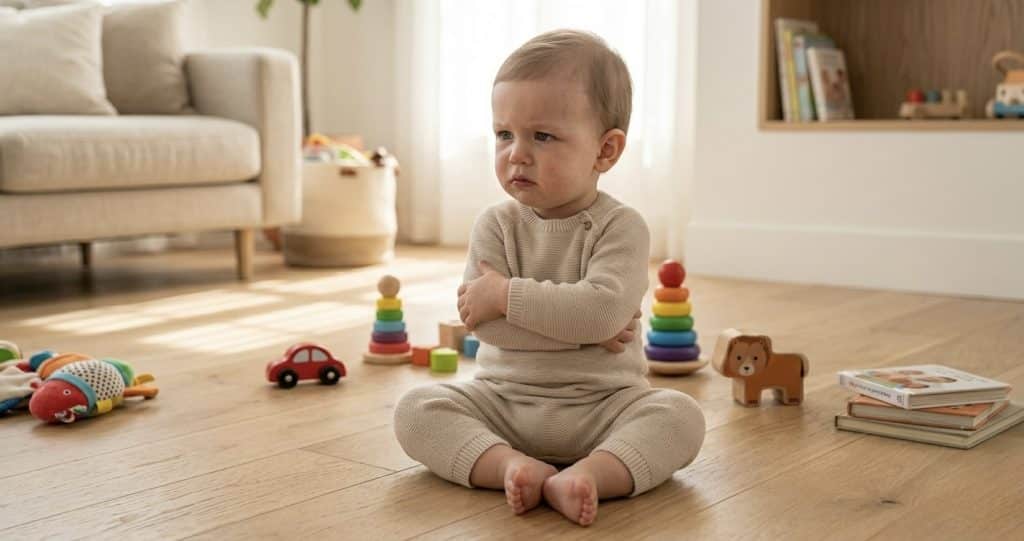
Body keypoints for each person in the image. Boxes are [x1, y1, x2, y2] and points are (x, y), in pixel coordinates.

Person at [393, 29, 705, 527]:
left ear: (605, 151)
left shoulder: (622, 228)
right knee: (416, 408)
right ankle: (510, 465)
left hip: (603, 406)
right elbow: (486, 326)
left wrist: (506, 295)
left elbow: (598, 313)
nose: (517, 153)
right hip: (501, 402)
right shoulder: (494, 225)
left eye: (542, 136)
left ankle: (589, 474)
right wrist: (586, 331)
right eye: (504, 134)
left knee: (680, 417)